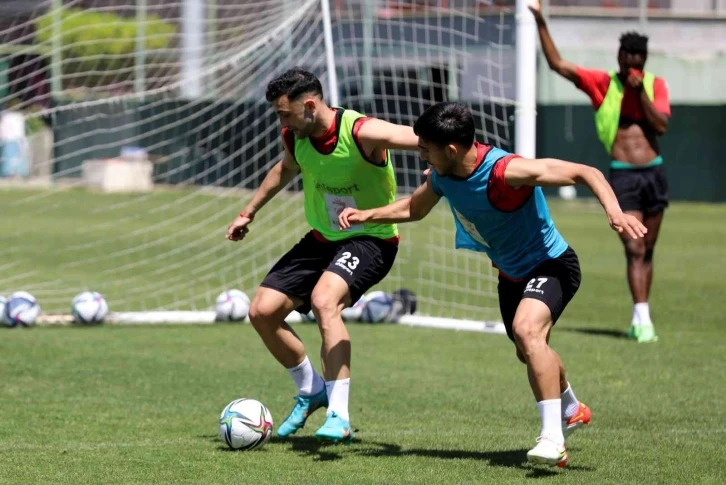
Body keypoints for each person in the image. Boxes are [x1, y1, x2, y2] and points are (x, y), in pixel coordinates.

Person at [338, 102, 647, 466]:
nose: (420, 155)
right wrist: (366, 215)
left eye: (425, 148)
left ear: (451, 150)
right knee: (528, 350)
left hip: (552, 265)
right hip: (510, 276)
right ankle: (570, 406)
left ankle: (553, 439)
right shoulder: (443, 177)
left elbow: (585, 172)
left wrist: (614, 211)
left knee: (527, 332)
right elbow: (413, 209)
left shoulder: (506, 171)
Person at [225, 68, 420, 444]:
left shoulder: (362, 132)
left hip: (371, 239)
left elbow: (419, 138)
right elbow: (285, 169)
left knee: (324, 300)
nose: (282, 123)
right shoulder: (294, 136)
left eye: (285, 114)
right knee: (262, 312)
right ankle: (312, 389)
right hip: (321, 239)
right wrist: (248, 211)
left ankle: (338, 415)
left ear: (311, 106)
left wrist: (443, 163)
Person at [529, 0, 670, 343]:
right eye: (626, 58)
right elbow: (558, 64)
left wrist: (640, 93)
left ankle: (640, 316)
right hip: (622, 175)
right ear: (619, 57)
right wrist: (540, 21)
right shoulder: (603, 84)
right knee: (634, 247)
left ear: (644, 61)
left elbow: (660, 126)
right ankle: (643, 320)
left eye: (637, 60)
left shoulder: (655, 85)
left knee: (648, 249)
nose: (631, 65)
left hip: (653, 174)